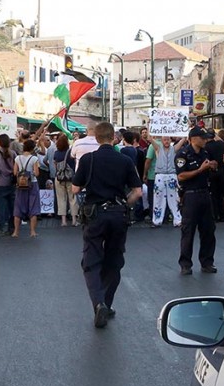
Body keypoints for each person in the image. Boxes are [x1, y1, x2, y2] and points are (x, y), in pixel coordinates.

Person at [72, 122, 142, 328]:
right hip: (118, 214)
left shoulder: (88, 159)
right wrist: (124, 203)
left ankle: (98, 303)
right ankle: (107, 302)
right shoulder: (125, 160)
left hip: (95, 215)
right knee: (114, 261)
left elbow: (75, 189)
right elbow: (138, 191)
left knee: (91, 261)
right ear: (114, 137)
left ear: (96, 138)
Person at [175, 126, 218, 275]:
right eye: (202, 137)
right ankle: (185, 264)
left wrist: (212, 167)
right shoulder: (183, 154)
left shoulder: (205, 153)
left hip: (205, 193)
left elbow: (209, 170)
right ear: (193, 139)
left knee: (208, 230)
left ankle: (207, 262)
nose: (205, 140)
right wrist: (200, 170)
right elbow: (181, 176)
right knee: (188, 231)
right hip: (190, 195)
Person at [149, 136, 182, 228]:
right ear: (162, 141)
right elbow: (150, 139)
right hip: (160, 175)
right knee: (158, 199)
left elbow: (183, 140)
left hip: (172, 175)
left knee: (175, 198)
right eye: (164, 140)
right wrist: (149, 127)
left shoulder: (174, 149)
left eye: (168, 140)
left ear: (170, 140)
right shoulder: (158, 148)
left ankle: (178, 219)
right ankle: (156, 221)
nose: (166, 141)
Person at [12, 139, 41, 238]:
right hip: (32, 184)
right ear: (32, 148)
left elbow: (15, 172)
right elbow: (37, 173)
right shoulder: (34, 159)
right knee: (33, 207)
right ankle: (32, 231)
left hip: (20, 185)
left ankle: (16, 232)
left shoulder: (17, 158)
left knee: (18, 207)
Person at [0, 134, 16, 235]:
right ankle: (11, 227)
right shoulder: (13, 153)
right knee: (11, 207)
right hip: (11, 183)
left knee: (1, 207)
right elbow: (16, 168)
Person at [52, 134, 77, 226]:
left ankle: (63, 221)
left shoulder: (56, 153)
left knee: (61, 199)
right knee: (72, 198)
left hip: (59, 178)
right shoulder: (71, 152)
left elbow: (55, 166)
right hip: (70, 178)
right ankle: (74, 220)